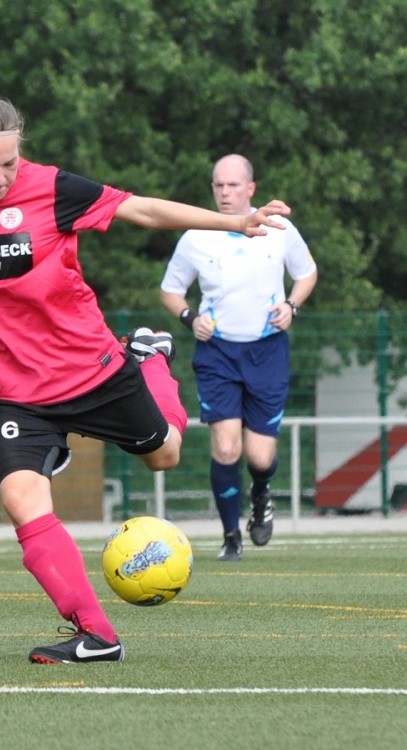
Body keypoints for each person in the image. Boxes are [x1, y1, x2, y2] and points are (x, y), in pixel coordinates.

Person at [0, 82, 293, 664]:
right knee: (22, 502)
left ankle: (148, 360)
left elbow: (140, 209)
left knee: (165, 455)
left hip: (91, 370)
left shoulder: (51, 188)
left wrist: (235, 222)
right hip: (12, 392)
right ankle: (98, 636)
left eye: (8, 163)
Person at [160, 154, 317, 562]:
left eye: (233, 185)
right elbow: (171, 291)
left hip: (267, 349)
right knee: (226, 449)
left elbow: (307, 273)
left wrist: (292, 306)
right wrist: (189, 317)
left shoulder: (279, 229)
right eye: (218, 185)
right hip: (219, 354)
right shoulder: (197, 234)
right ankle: (231, 536)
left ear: (251, 189)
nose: (225, 192)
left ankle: (261, 492)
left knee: (259, 456)